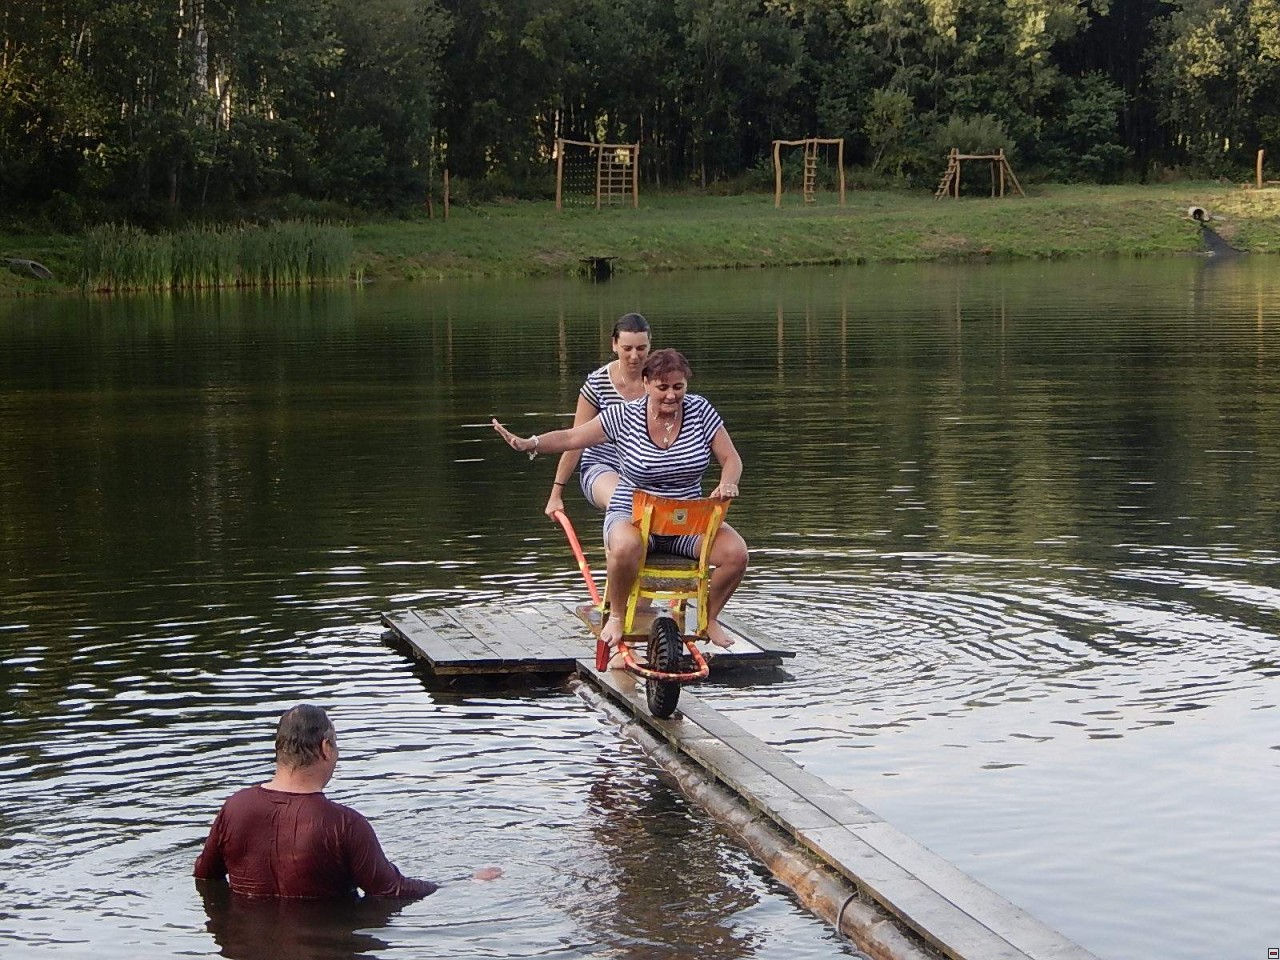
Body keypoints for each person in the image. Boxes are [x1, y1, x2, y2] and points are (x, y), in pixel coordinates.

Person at [493, 348, 748, 655]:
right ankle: (616, 617)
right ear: (646, 383)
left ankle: (710, 618)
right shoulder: (624, 416)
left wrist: (727, 482)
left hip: (685, 521)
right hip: (634, 515)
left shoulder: (701, 410)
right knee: (625, 546)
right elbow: (572, 438)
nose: (671, 395)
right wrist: (530, 443)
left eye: (678, 387)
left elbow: (731, 458)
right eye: (663, 387)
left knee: (736, 554)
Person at [194, 704, 501, 898]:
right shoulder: (344, 824)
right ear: (326, 747)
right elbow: (391, 890)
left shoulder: (234, 808)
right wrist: (464, 881)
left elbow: (205, 877)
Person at [544, 312, 651, 519]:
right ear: (614, 345)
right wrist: (556, 494)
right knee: (624, 501)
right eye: (627, 348)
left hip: (646, 468)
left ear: (649, 345)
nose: (634, 356)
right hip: (603, 465)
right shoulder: (597, 383)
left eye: (641, 348)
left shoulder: (661, 383)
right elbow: (575, 439)